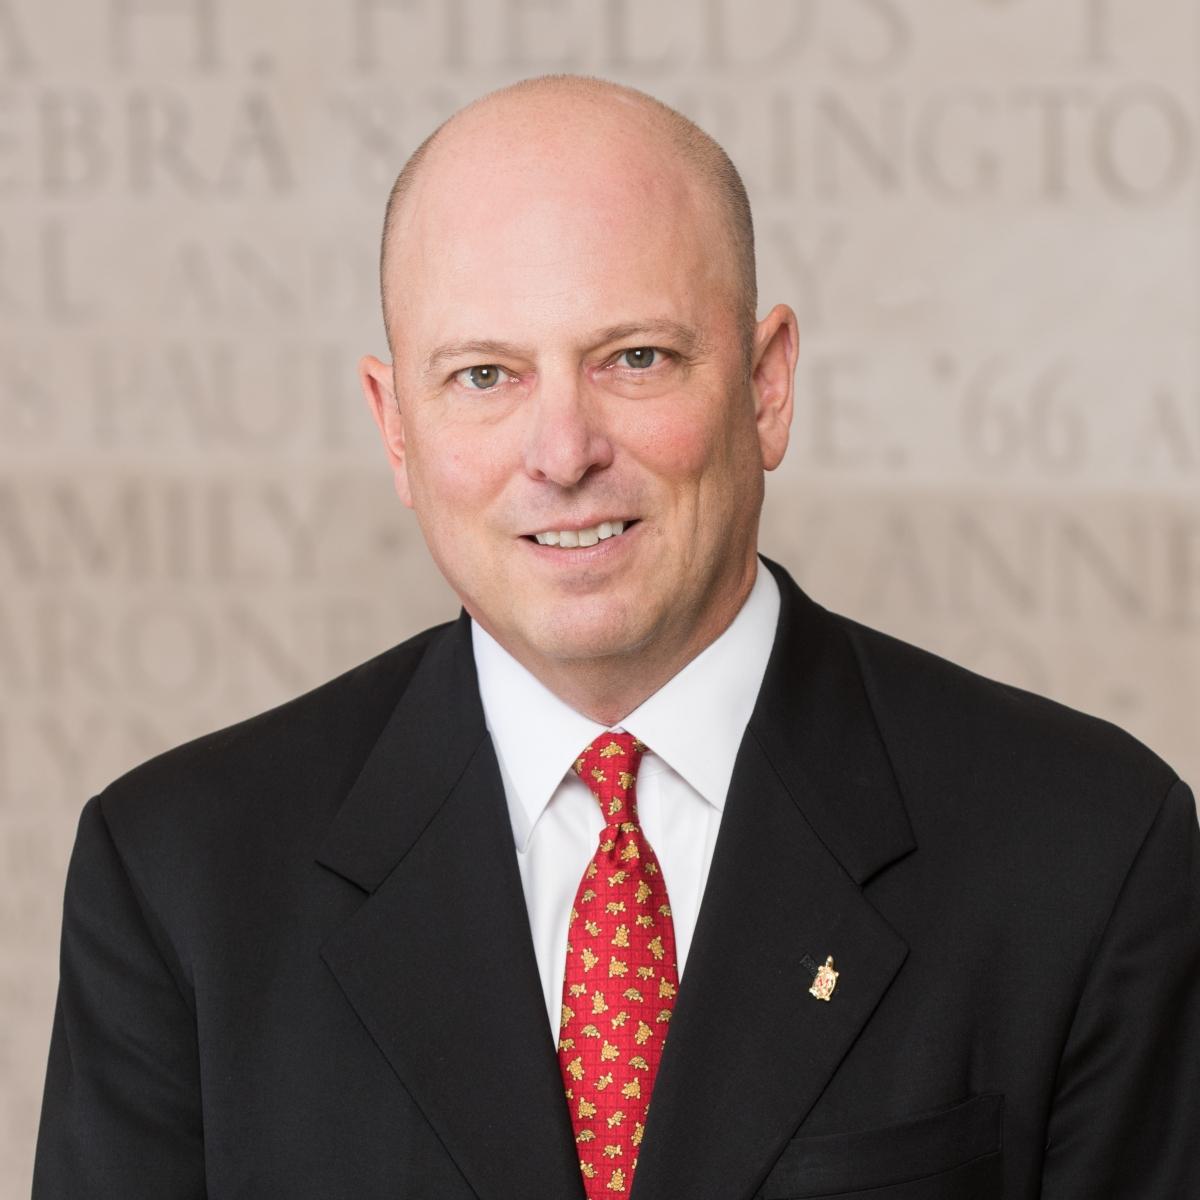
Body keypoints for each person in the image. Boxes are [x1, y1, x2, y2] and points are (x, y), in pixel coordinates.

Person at [33, 74, 1198, 1200]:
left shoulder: (1089, 851)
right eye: (484, 375)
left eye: (634, 358)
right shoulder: (180, 881)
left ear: (766, 385)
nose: (561, 450)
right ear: (396, 430)